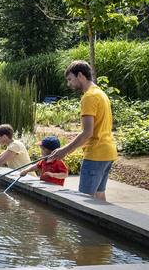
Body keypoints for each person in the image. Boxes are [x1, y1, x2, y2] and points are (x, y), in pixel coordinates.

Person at [48, 60, 116, 201]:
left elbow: (87, 133)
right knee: (99, 196)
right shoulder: (100, 93)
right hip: (107, 152)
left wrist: (65, 150)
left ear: (80, 75)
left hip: (95, 154)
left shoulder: (89, 97)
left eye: (70, 79)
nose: (69, 84)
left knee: (85, 200)